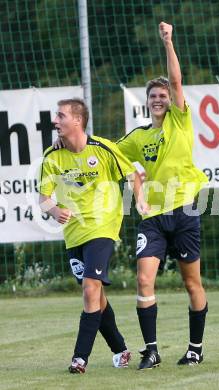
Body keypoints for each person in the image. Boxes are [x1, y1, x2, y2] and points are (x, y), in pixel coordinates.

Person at [116, 21, 208, 369]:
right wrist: (69, 141)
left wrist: (168, 42)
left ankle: (195, 349)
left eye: (163, 95)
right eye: (153, 96)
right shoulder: (138, 137)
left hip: (184, 211)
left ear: (171, 101)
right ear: (147, 102)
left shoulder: (180, 121)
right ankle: (151, 351)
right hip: (153, 218)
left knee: (191, 282)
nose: (158, 99)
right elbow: (114, 154)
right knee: (143, 278)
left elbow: (177, 80)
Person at [38, 98, 149, 374]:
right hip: (74, 235)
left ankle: (79, 359)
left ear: (78, 120)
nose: (55, 121)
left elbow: (134, 174)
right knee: (96, 296)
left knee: (90, 289)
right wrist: (54, 211)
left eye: (60, 116)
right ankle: (121, 350)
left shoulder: (102, 149)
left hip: (102, 227)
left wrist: (140, 201)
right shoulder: (52, 156)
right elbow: (44, 199)